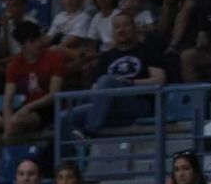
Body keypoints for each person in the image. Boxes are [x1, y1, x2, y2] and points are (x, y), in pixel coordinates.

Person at [59, 12, 165, 142]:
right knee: (63, 117)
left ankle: (91, 132)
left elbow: (159, 80)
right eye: (117, 27)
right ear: (113, 31)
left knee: (107, 80)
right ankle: (76, 156)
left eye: (125, 25)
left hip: (137, 102)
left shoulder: (147, 50)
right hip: (107, 105)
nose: (121, 30)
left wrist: (131, 83)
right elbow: (95, 88)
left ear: (134, 28)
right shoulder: (106, 56)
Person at [0, 22, 65, 150]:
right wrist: (7, 125)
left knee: (16, 121)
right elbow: (8, 100)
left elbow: (53, 94)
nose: (38, 44)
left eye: (39, 39)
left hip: (48, 108)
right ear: (22, 45)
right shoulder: (15, 65)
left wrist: (28, 107)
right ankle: (3, 150)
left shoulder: (54, 57)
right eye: (32, 41)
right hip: (26, 109)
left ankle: (7, 156)